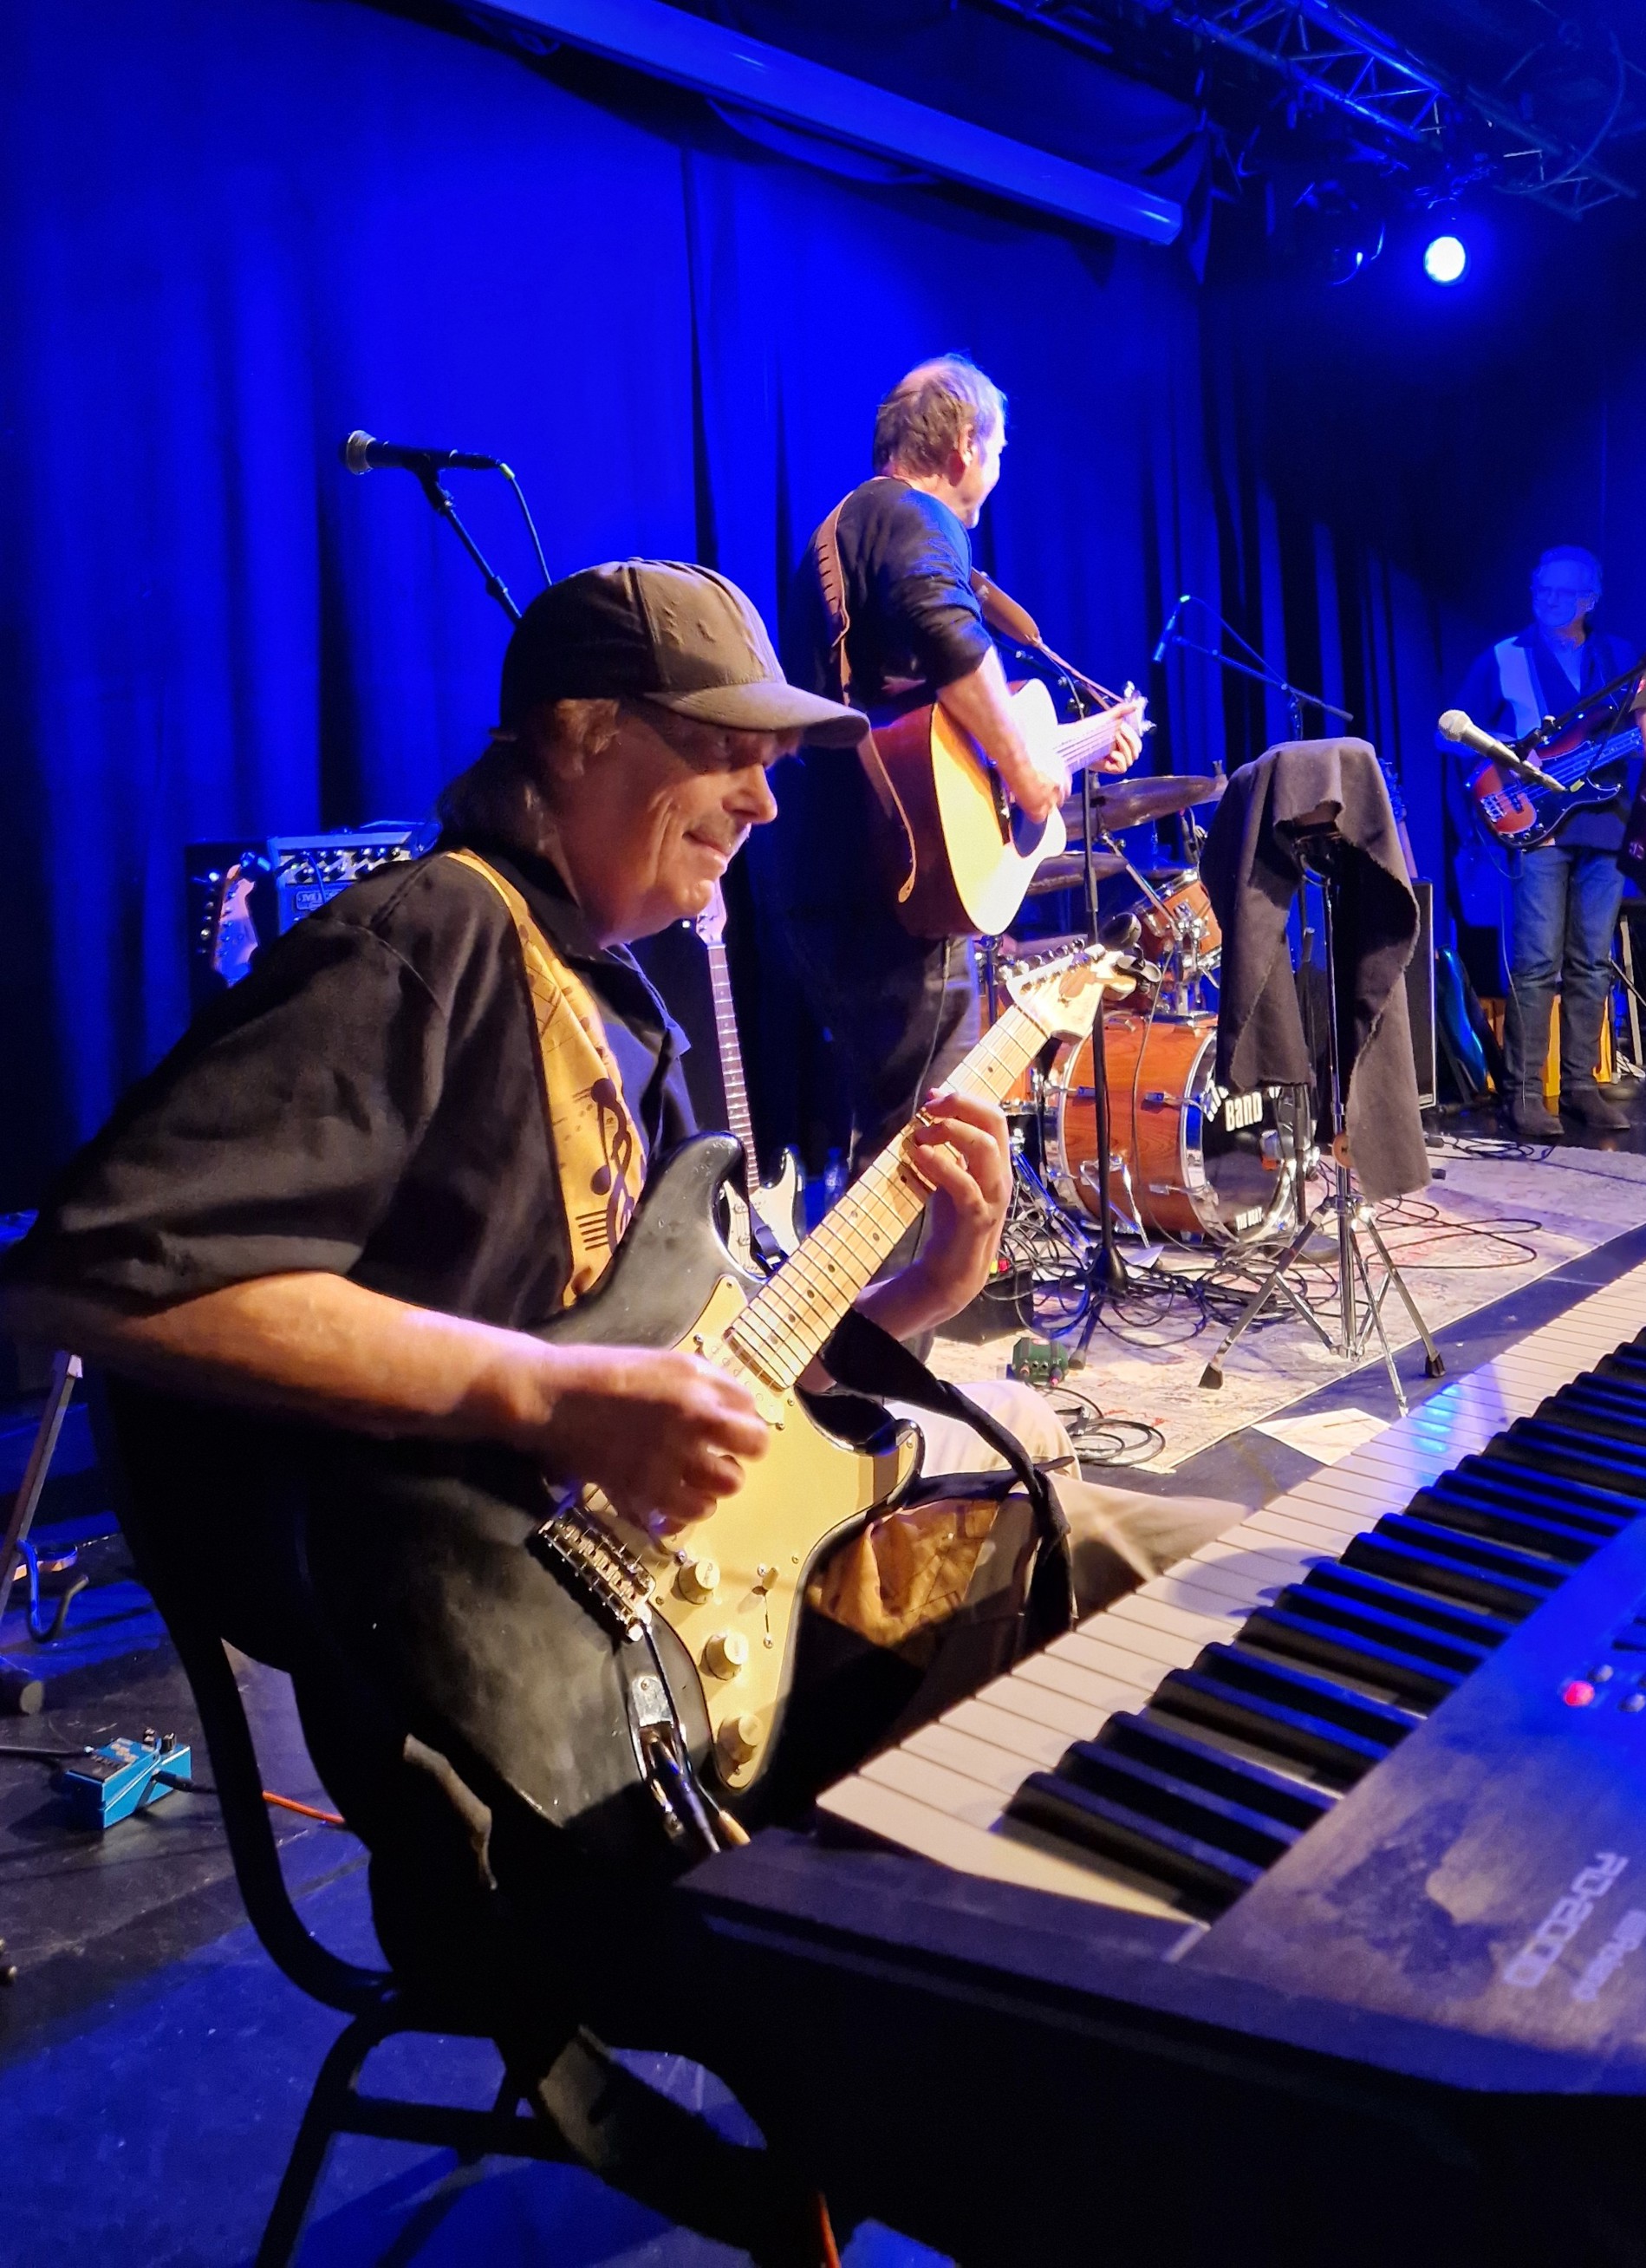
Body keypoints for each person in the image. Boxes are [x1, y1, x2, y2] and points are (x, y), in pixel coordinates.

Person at [0, 560, 1235, 2255]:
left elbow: (703, 1389)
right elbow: (91, 1273)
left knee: (1204, 1575)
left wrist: (925, 1288)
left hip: (701, 1650)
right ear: (582, 737)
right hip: (539, 1787)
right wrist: (548, 1394)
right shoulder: (433, 936)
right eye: (727, 749)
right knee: (1162, 1636)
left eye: (776, 761)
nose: (766, 796)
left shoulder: (611, 997)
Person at [751, 354, 1143, 1176]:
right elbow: (944, 629)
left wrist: (1078, 745)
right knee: (919, 1152)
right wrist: (1027, 770)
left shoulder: (856, 527)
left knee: (891, 1135)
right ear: (966, 443)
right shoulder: (915, 517)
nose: (998, 466)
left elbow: (919, 722)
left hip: (832, 877)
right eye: (997, 449)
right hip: (891, 890)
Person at [1447, 545, 1637, 1138]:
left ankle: (1581, 1086)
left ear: (1590, 599)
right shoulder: (1504, 656)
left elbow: (1642, 729)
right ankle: (1524, 1093)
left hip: (1606, 822)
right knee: (1535, 964)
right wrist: (1504, 757)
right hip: (1538, 823)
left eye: (1562, 592)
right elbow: (1451, 733)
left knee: (1593, 961)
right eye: (1541, 589)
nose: (1547, 599)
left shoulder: (1620, 656)